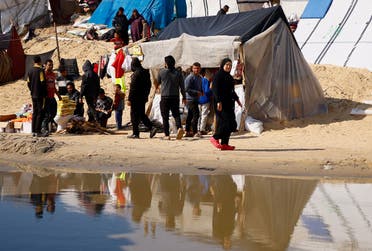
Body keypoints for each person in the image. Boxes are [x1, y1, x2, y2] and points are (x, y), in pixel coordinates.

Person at [210, 58, 242, 150]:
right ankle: (215, 138)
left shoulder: (229, 77)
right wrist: (219, 101)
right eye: (227, 65)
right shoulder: (218, 76)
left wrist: (237, 100)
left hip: (229, 103)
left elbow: (231, 91)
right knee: (225, 123)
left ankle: (224, 144)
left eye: (230, 65)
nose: (228, 67)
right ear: (223, 65)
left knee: (232, 124)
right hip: (220, 104)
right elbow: (215, 90)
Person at [157, 55, 186, 140]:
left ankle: (166, 135)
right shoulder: (178, 73)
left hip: (165, 97)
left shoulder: (162, 72)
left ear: (166, 63)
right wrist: (184, 97)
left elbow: (158, 82)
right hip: (175, 96)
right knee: (176, 114)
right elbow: (182, 86)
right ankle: (179, 127)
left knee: (165, 116)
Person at [127, 57, 157, 138]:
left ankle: (135, 133)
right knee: (141, 114)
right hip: (142, 98)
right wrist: (146, 95)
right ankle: (151, 127)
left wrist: (129, 99)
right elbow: (149, 85)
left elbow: (133, 88)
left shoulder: (136, 74)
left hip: (135, 98)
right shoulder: (145, 72)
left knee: (134, 116)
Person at [27, 55, 47, 137]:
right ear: (40, 61)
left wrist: (32, 89)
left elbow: (28, 82)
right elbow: (42, 82)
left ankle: (33, 131)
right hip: (40, 94)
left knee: (35, 112)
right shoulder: (40, 71)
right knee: (40, 112)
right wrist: (44, 93)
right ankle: (38, 131)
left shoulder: (30, 71)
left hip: (33, 94)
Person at [42, 59, 62, 134]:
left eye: (52, 65)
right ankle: (44, 128)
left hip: (52, 96)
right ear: (45, 65)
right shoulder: (43, 74)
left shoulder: (53, 74)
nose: (51, 66)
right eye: (49, 65)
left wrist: (58, 96)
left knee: (54, 112)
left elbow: (53, 86)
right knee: (46, 114)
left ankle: (49, 126)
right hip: (46, 97)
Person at [184, 62, 203, 137]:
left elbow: (199, 87)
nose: (196, 70)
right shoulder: (190, 77)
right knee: (196, 115)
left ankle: (187, 131)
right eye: (195, 68)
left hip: (196, 99)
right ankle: (194, 132)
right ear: (192, 68)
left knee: (190, 115)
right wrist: (197, 92)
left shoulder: (199, 77)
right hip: (190, 99)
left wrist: (201, 91)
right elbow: (186, 89)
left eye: (198, 68)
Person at [198, 68, 212, 135]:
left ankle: (197, 128)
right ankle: (202, 129)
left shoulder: (197, 80)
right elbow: (207, 91)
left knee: (199, 115)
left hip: (198, 99)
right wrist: (211, 89)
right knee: (204, 114)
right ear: (204, 73)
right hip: (205, 99)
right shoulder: (205, 80)